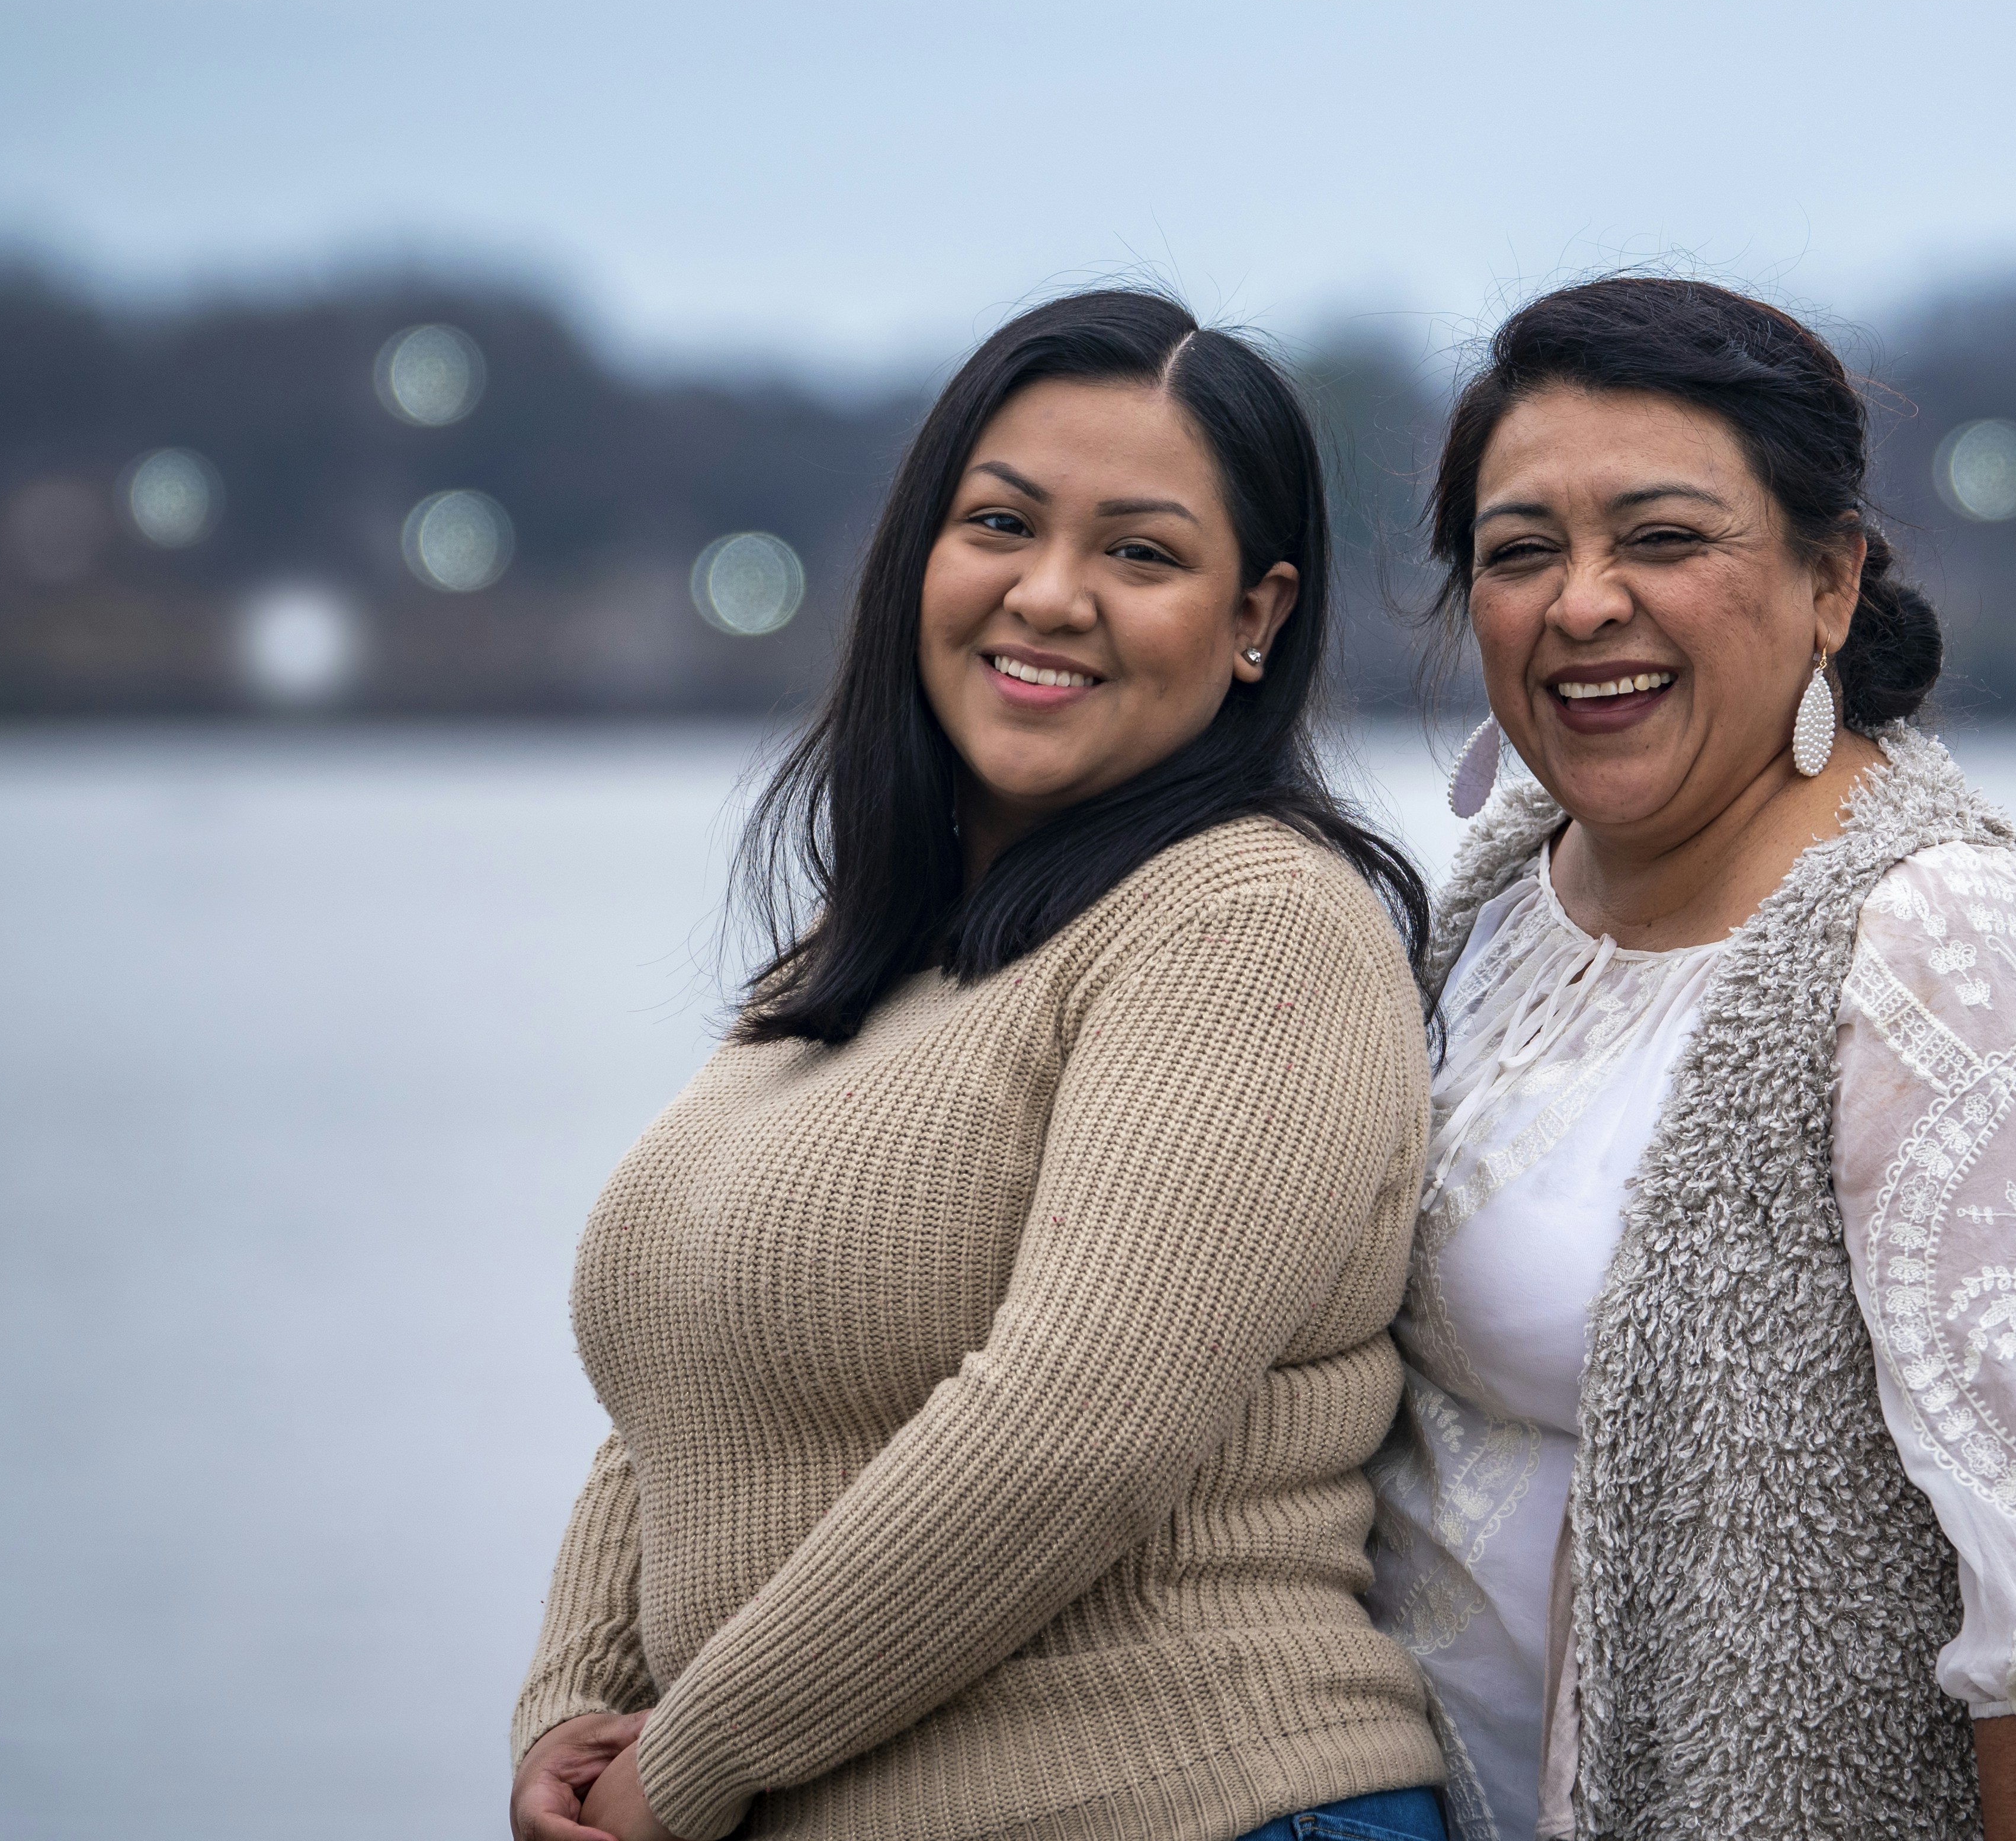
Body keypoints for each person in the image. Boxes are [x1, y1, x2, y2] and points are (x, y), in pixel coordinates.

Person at [507, 292, 1453, 1841]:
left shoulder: (1250, 924)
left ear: (1256, 618)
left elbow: (1071, 1435)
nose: (1052, 594)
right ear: (919, 559)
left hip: (1186, 1804)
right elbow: (676, 1393)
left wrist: (685, 1771)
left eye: (1141, 554)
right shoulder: (864, 956)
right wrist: (569, 1712)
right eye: (1000, 524)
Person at [1364, 277, 2016, 1841]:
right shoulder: (1504, 907)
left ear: (1832, 581)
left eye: (1662, 539)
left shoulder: (1955, 948)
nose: (1584, 603)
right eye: (1523, 553)